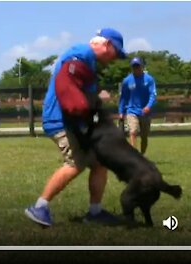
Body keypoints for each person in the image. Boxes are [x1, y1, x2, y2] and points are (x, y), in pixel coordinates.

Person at [25, 28, 127, 227]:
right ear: (107, 44)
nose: (115, 58)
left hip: (73, 120)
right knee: (76, 163)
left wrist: (96, 92)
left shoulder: (87, 60)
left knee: (99, 162)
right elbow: (68, 82)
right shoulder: (81, 54)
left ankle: (95, 213)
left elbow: (81, 85)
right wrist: (88, 104)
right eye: (116, 52)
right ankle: (39, 207)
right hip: (61, 120)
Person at [118, 57, 157, 155]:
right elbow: (123, 97)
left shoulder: (149, 79)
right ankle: (134, 155)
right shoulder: (127, 81)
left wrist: (148, 106)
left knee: (144, 136)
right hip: (131, 110)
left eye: (138, 66)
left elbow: (152, 94)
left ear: (142, 66)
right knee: (132, 131)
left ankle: (142, 154)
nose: (136, 68)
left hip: (145, 111)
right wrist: (121, 111)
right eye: (134, 66)